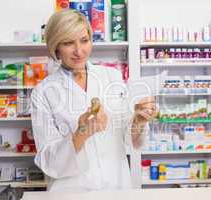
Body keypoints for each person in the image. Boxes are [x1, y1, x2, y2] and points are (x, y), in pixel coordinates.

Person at [31, 9, 158, 192]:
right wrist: (80, 134)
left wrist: (139, 120)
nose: (79, 51)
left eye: (84, 40)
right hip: (72, 191)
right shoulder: (43, 93)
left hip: (116, 186)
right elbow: (48, 161)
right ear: (55, 46)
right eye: (68, 43)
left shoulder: (112, 77)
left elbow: (132, 142)